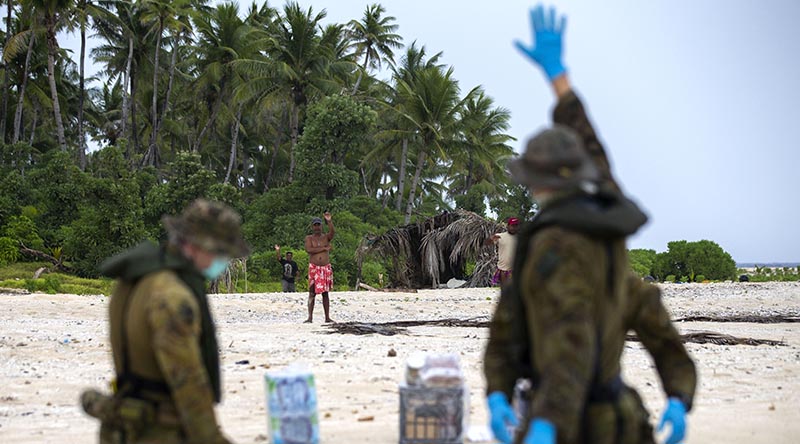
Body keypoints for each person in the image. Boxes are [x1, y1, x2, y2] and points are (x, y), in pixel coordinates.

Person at [483, 5, 697, 444]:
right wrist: (678, 390)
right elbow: (647, 311)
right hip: (620, 419)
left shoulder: (558, 244)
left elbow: (570, 336)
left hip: (571, 424)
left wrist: (544, 422)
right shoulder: (607, 220)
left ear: (536, 183)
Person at [80, 199, 249, 444]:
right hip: (160, 433)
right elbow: (188, 386)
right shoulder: (172, 297)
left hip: (122, 429)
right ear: (196, 247)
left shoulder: (132, 281)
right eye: (220, 253)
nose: (221, 262)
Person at [304, 212, 335, 323]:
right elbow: (309, 250)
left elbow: (332, 233)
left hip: (325, 268)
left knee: (325, 293)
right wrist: (324, 248)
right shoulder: (309, 238)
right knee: (312, 292)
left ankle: (327, 317)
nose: (317, 227)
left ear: (321, 226)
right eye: (315, 225)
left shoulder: (325, 237)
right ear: (312, 227)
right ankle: (310, 317)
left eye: (319, 225)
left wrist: (329, 221)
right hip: (314, 268)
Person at [485, 217, 521, 286]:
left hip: (516, 269)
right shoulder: (500, 236)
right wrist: (490, 239)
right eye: (512, 225)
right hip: (503, 270)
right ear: (508, 226)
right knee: (504, 289)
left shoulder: (521, 237)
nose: (514, 228)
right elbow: (486, 243)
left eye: (516, 226)